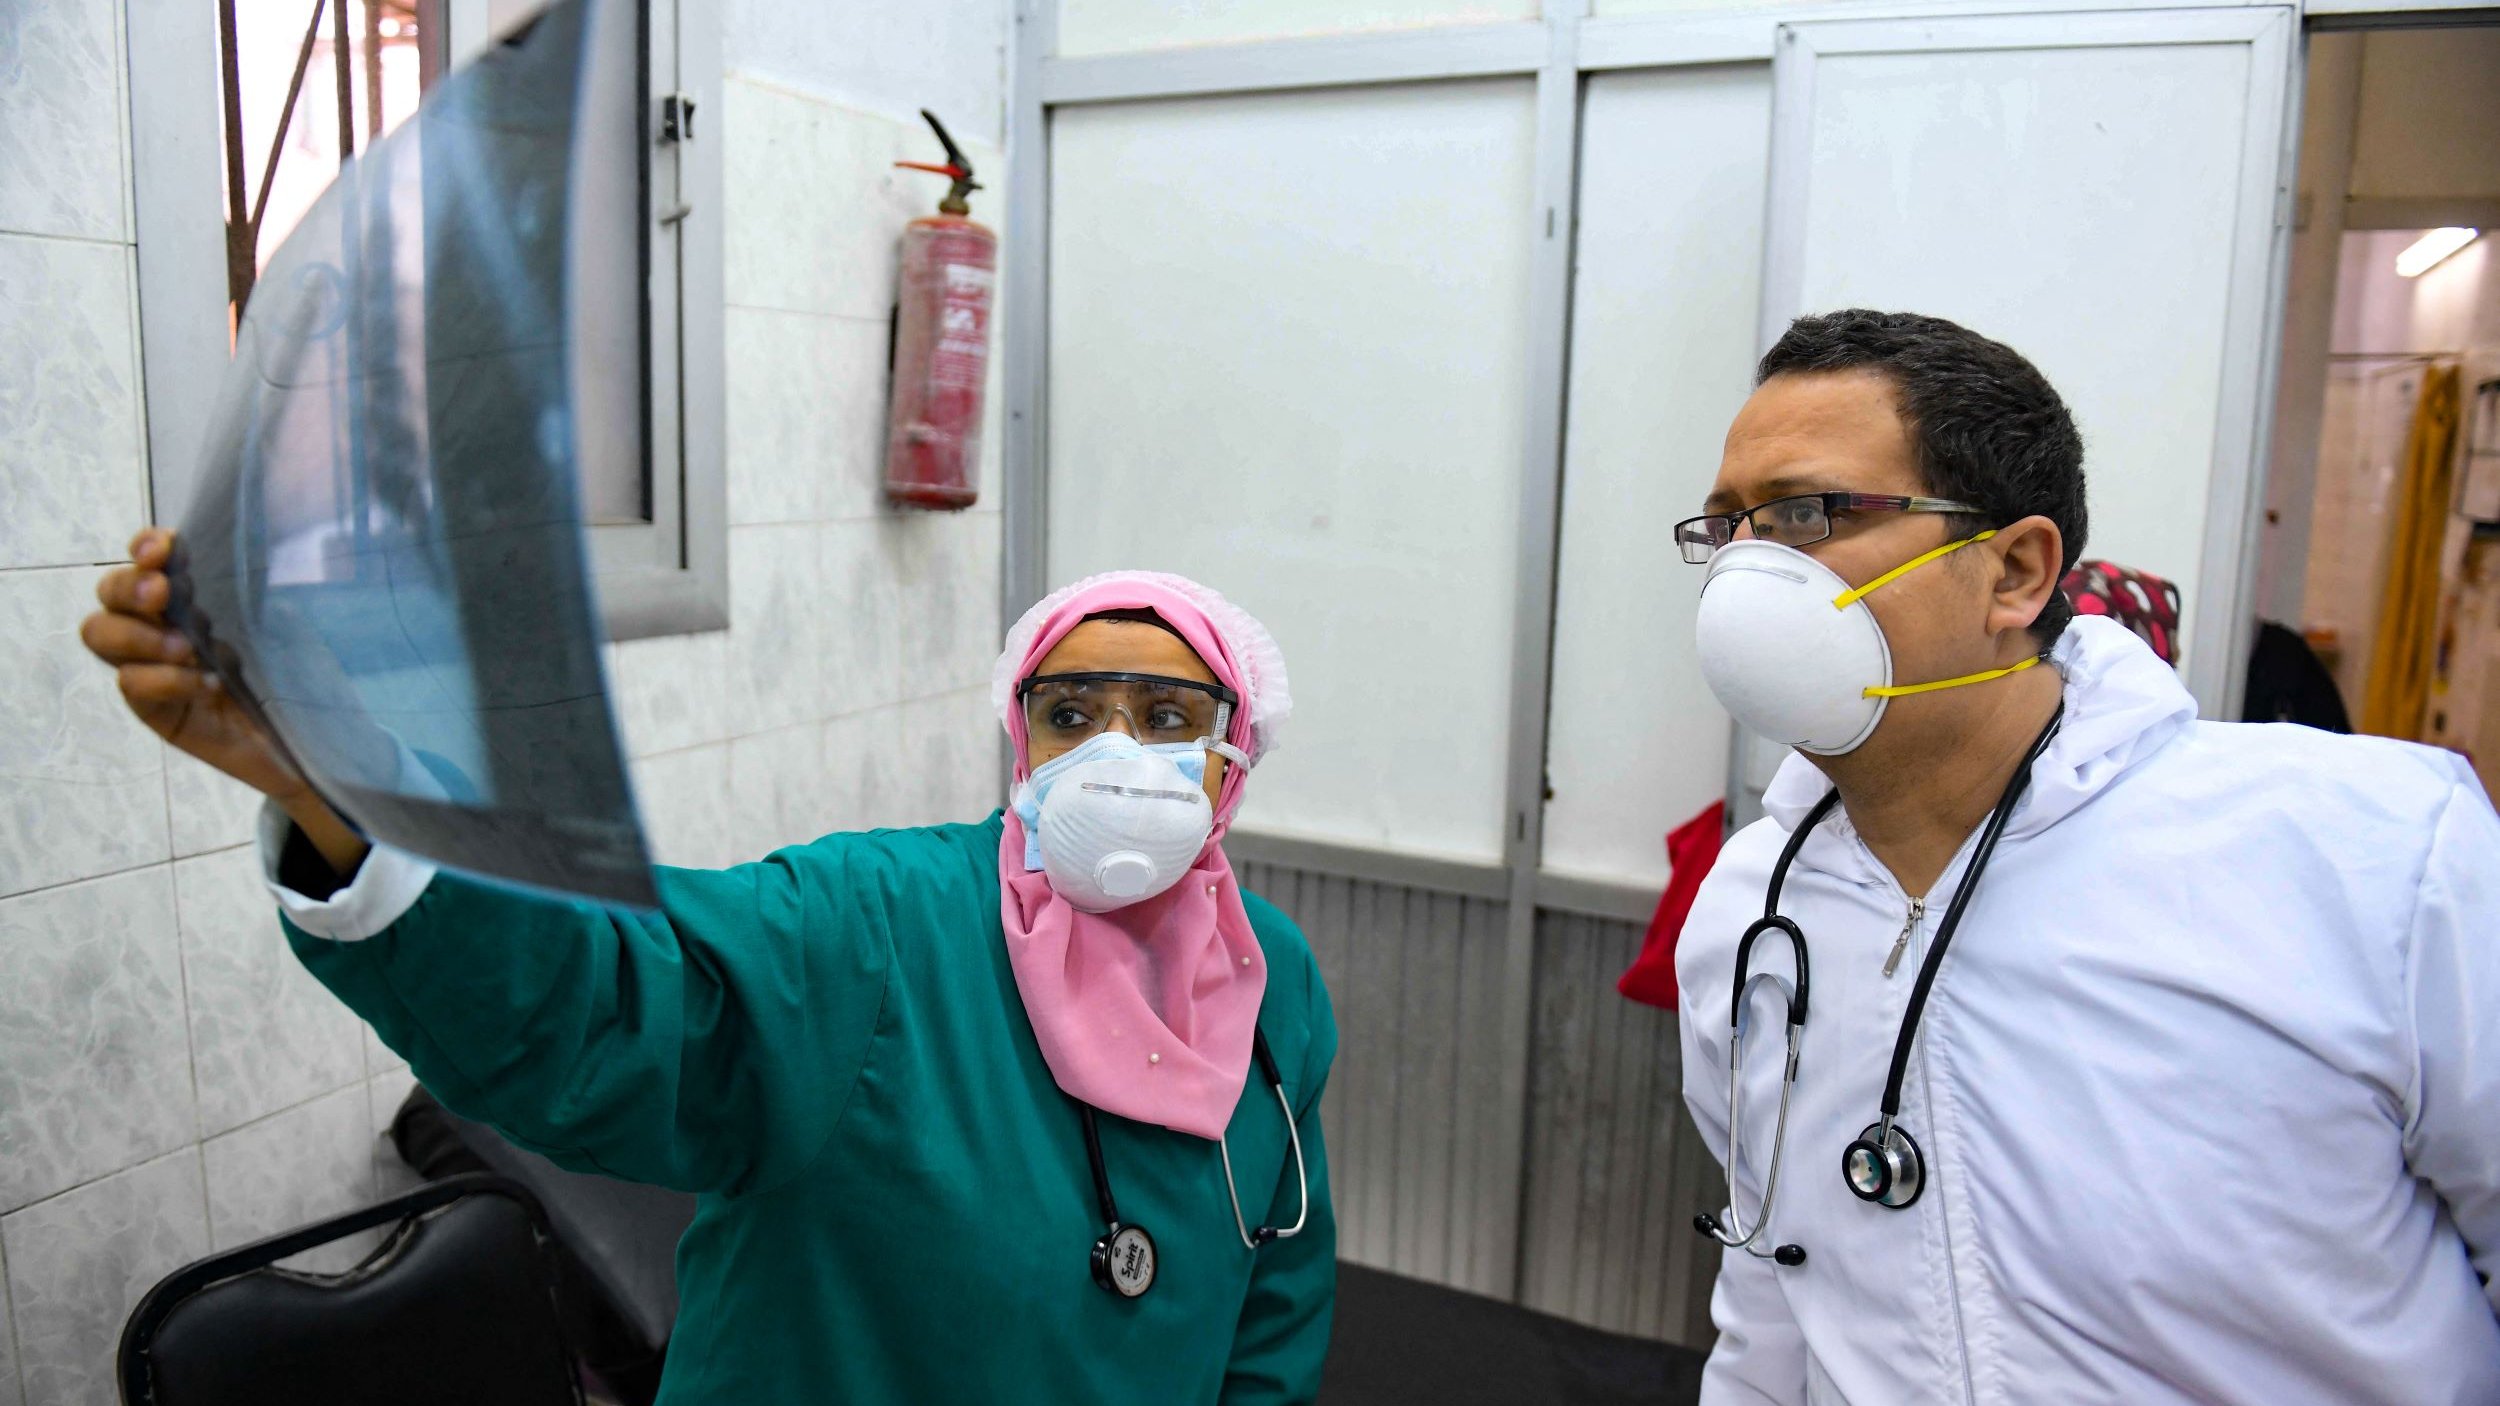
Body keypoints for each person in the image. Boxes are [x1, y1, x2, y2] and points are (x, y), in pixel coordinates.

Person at [81, 549, 1338, 1405]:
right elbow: (620, 991)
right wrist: (349, 792)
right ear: (1022, 741)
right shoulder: (874, 924)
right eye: (1072, 713)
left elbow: (1274, 1292)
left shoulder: (1270, 977)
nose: (1115, 754)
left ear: (1235, 761)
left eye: (1168, 718)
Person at [1671, 309, 2500, 1403]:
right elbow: (1771, 1291)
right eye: (1725, 526)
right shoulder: (1748, 910)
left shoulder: (2373, 852)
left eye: (1806, 513)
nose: (1744, 569)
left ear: (2014, 571)